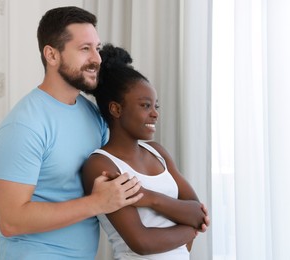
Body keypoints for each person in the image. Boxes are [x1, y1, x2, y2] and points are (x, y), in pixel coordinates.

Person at [0, 7, 143, 260]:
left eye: (97, 48)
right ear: (51, 55)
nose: (97, 58)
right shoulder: (23, 126)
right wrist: (96, 203)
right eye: (85, 49)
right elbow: (11, 221)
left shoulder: (93, 114)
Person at [82, 44, 210, 260]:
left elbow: (198, 213)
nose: (154, 114)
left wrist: (150, 198)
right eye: (145, 106)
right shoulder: (101, 166)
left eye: (155, 107)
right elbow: (141, 242)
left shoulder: (157, 152)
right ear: (116, 109)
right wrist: (190, 229)